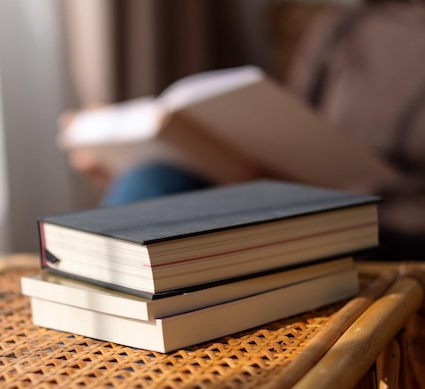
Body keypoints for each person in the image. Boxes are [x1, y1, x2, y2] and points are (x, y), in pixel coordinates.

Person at [62, 0, 425, 261]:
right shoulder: (344, 29)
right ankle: (98, 341)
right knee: (153, 176)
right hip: (299, 200)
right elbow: (292, 130)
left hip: (387, 224)